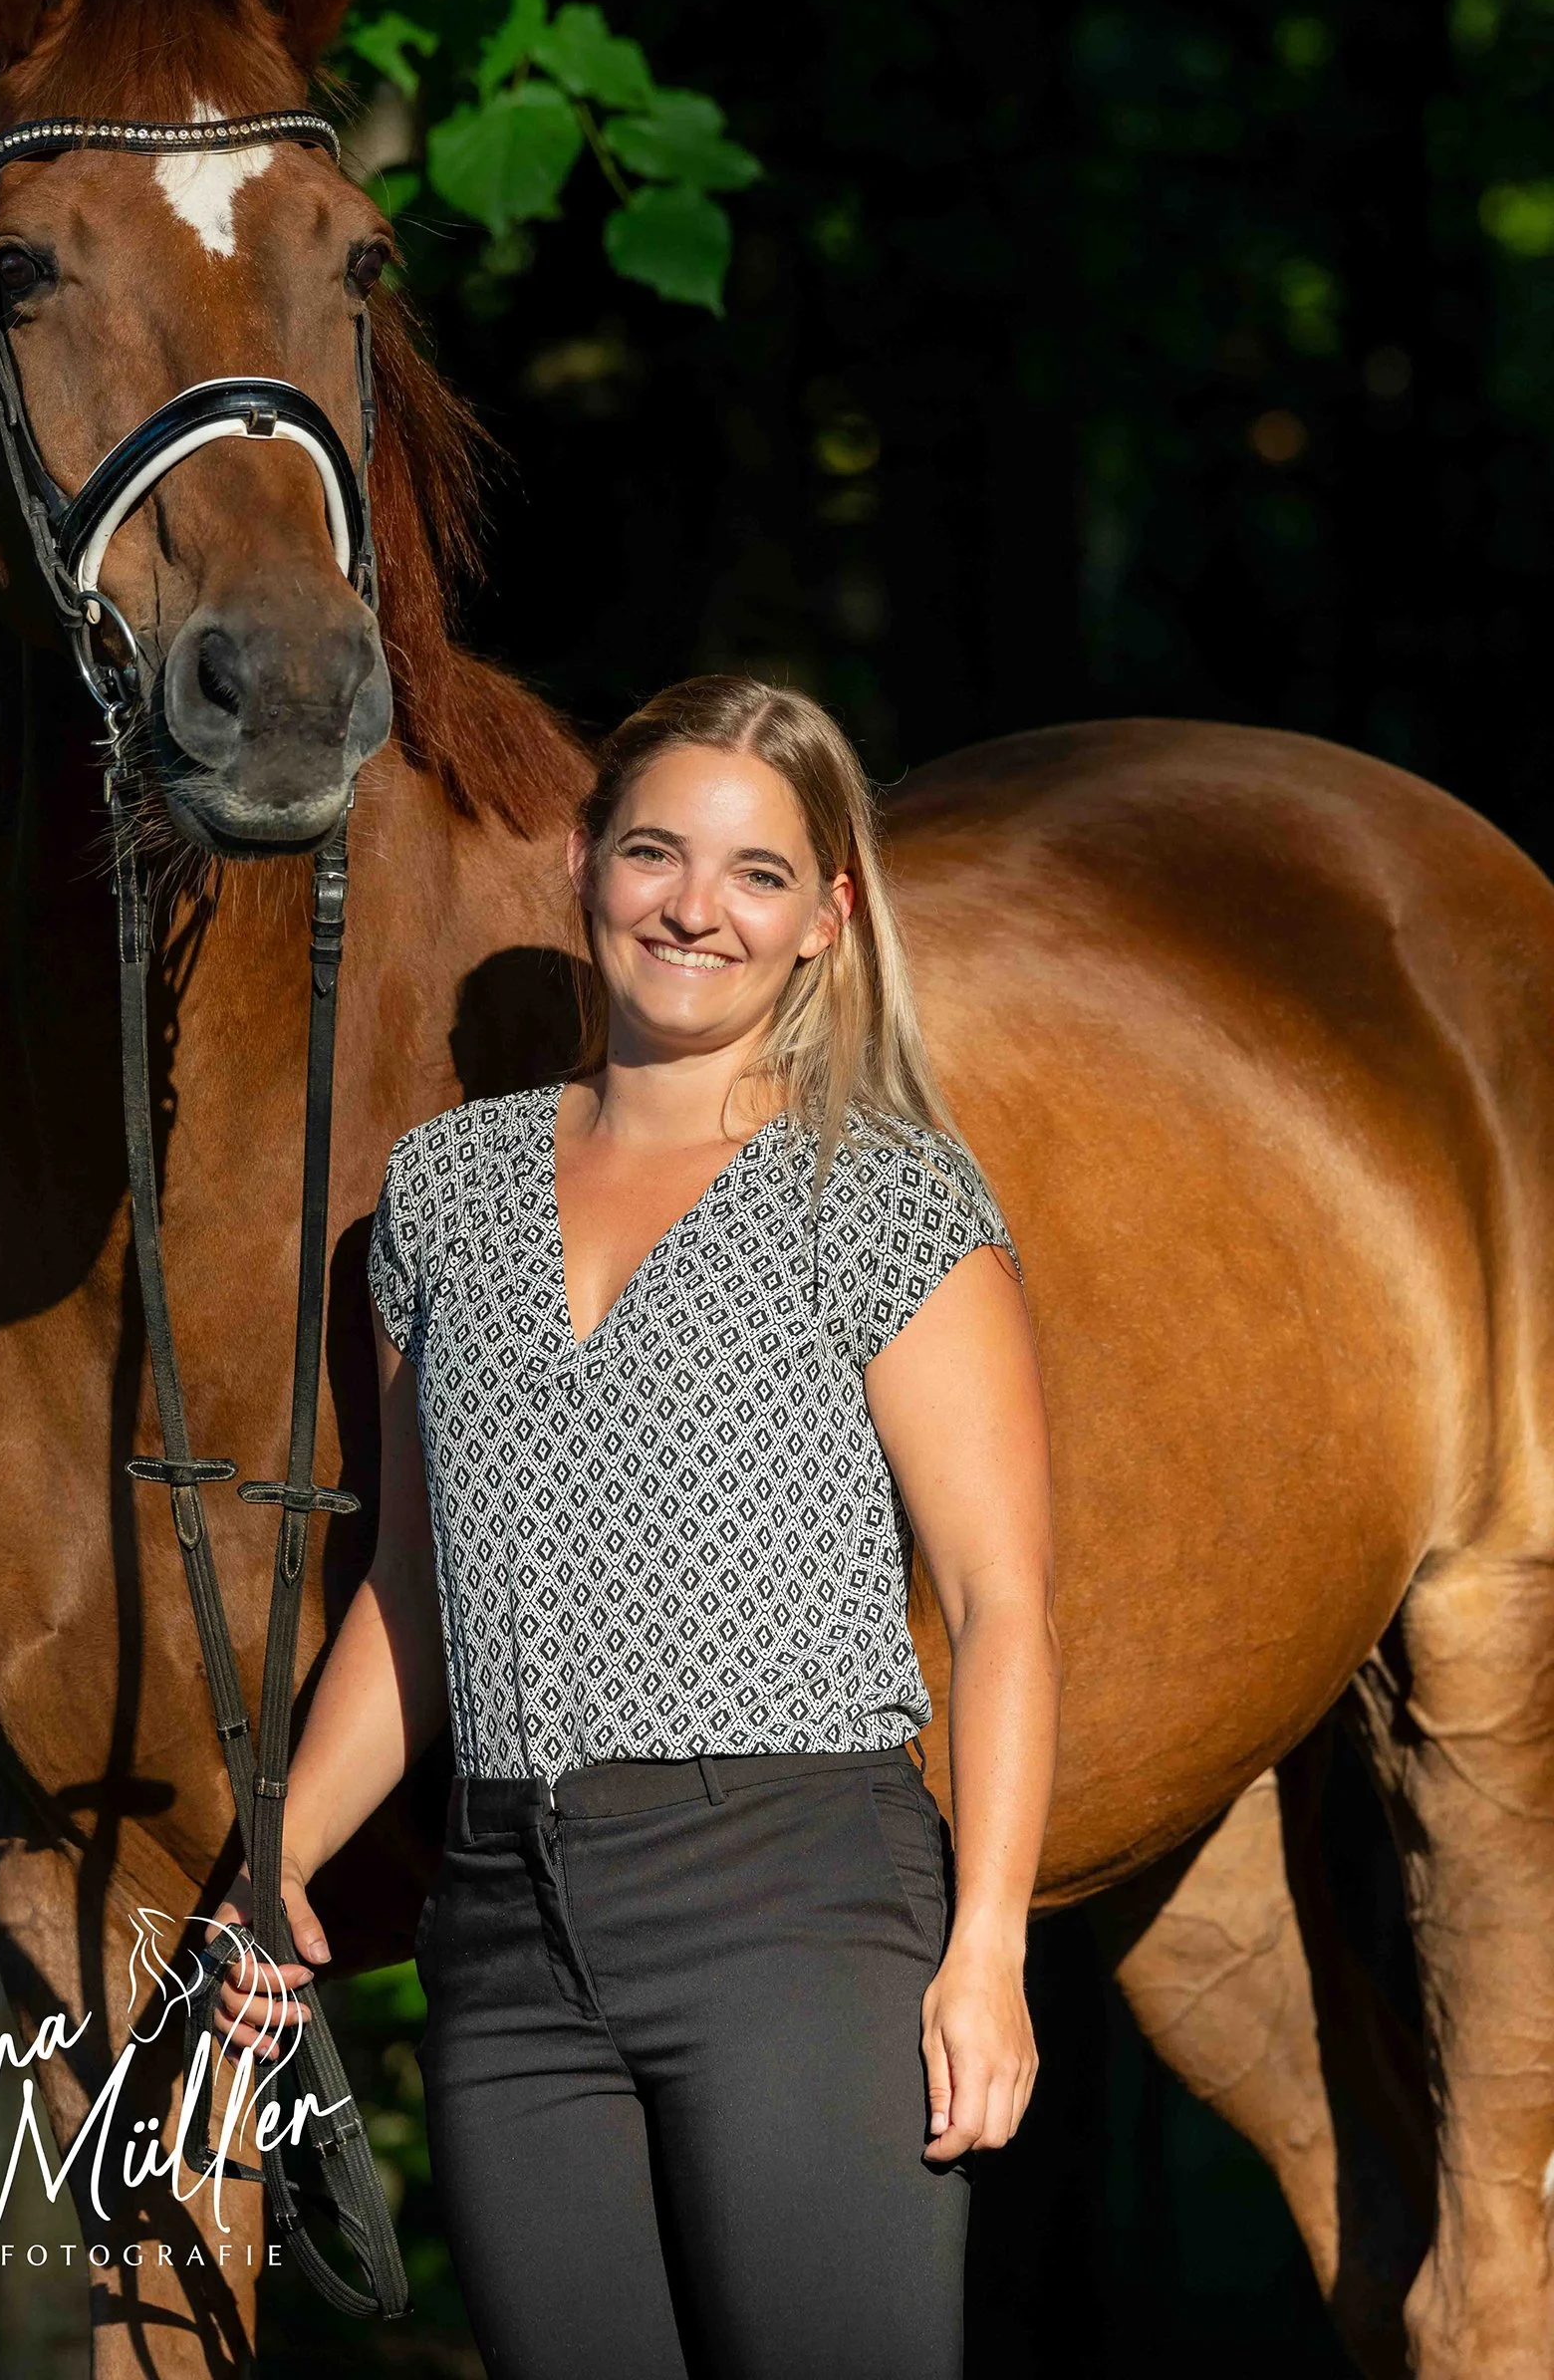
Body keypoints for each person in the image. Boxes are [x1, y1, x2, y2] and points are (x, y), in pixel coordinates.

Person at [208, 673, 1059, 2380]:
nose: (694, 908)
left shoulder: (881, 1191)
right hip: (505, 1930)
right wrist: (275, 1858)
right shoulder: (441, 1193)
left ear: (826, 919)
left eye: (756, 874)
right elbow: (417, 1592)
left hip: (796, 1901)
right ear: (587, 864)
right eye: (658, 852)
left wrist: (989, 1956)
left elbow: (1003, 1601)